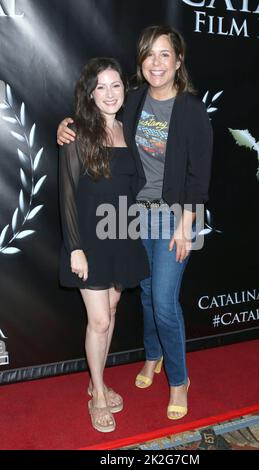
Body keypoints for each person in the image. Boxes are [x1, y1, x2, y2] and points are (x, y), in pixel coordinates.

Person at [57, 25, 213, 420]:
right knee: (144, 297)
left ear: (178, 61)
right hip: (130, 219)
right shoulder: (134, 100)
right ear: (140, 63)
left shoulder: (191, 109)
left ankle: (179, 381)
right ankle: (152, 358)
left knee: (162, 300)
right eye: (150, 55)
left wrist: (186, 222)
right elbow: (96, 117)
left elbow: (200, 175)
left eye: (165, 55)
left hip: (174, 217)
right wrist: (67, 124)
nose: (156, 63)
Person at [59, 57, 149, 432]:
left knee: (109, 313)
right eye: (102, 86)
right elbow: (67, 193)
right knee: (98, 320)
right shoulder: (76, 131)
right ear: (90, 92)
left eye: (116, 85)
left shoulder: (129, 130)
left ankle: (98, 379)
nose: (110, 93)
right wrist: (75, 248)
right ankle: (97, 393)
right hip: (89, 242)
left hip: (122, 235)